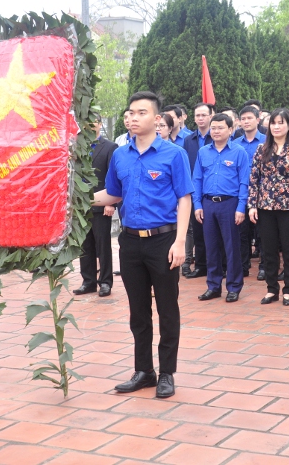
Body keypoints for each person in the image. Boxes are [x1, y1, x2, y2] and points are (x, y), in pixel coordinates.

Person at [92, 91, 192, 399]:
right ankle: (144, 371)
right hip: (130, 242)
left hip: (163, 240)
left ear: (157, 118)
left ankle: (167, 373)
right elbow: (112, 193)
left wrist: (179, 243)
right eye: (130, 113)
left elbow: (184, 198)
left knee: (167, 308)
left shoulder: (174, 154)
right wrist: (75, 201)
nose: (133, 118)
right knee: (138, 310)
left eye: (141, 113)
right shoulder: (121, 155)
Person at [248, 108, 289, 306]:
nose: (276, 126)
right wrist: (252, 205)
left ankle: (288, 290)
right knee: (268, 250)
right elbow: (254, 178)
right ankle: (272, 289)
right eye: (273, 123)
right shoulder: (261, 149)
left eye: (281, 122)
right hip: (265, 207)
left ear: (288, 126)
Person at [193, 114, 250, 302]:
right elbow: (197, 180)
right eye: (213, 128)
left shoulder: (239, 152)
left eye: (220, 128)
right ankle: (213, 285)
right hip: (208, 204)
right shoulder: (203, 152)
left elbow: (244, 182)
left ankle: (233, 286)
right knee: (211, 246)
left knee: (231, 246)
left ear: (231, 130)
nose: (216, 131)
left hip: (230, 203)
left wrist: (241, 207)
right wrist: (197, 205)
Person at [75, 121, 118, 297]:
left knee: (103, 245)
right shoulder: (79, 147)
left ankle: (105, 282)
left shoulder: (110, 147)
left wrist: (110, 203)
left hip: (102, 204)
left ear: (99, 124)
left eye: (93, 123)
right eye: (86, 124)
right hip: (81, 205)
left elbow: (112, 176)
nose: (90, 126)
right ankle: (88, 281)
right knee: (85, 246)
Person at [233, 106, 266, 278]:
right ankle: (243, 265)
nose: (246, 122)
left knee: (263, 232)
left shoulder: (267, 141)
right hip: (241, 193)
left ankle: (264, 266)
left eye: (249, 118)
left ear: (258, 120)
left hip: (263, 193)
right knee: (242, 231)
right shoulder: (235, 144)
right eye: (243, 119)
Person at [183, 103, 215, 279]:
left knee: (216, 232)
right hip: (195, 191)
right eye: (197, 115)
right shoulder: (189, 140)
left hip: (213, 190)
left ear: (211, 116)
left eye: (204, 115)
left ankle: (219, 266)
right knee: (198, 230)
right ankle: (201, 265)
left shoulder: (217, 136)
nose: (200, 118)